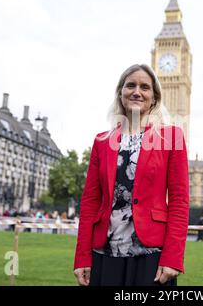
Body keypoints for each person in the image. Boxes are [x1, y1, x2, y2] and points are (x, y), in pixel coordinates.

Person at [73, 64, 189, 286]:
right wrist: (81, 257)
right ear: (121, 93)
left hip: (151, 255)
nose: (137, 91)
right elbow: (90, 201)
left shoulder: (171, 136)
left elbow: (179, 201)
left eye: (145, 87)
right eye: (131, 85)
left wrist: (173, 257)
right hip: (104, 252)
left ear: (154, 97)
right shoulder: (102, 141)